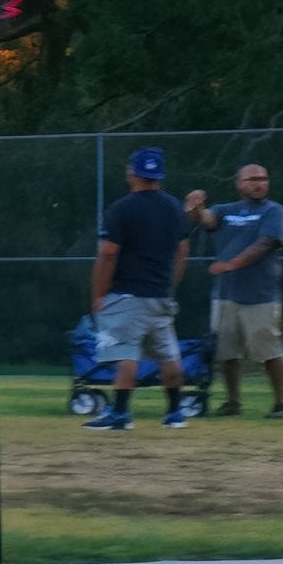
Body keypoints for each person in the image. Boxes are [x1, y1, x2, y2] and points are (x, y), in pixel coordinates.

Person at [84, 146, 191, 431]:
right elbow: (183, 251)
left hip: (128, 294)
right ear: (160, 175)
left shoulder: (122, 209)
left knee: (125, 352)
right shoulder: (174, 208)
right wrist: (170, 283)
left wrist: (98, 294)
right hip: (161, 294)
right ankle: (175, 412)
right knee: (168, 353)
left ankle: (120, 413)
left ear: (132, 173)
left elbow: (108, 253)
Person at [184, 164, 283, 418]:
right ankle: (233, 402)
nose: (259, 183)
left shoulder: (274, 211)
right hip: (226, 295)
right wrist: (195, 206)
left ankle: (280, 404)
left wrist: (231, 264)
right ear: (239, 183)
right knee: (226, 352)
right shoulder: (226, 210)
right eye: (252, 179)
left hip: (260, 296)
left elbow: (264, 244)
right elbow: (204, 219)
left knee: (268, 351)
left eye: (263, 179)